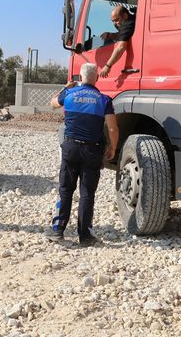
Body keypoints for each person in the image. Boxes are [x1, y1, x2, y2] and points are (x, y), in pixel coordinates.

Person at [45, 62, 119, 246]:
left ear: (80, 76)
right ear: (96, 77)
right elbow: (112, 128)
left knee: (65, 189)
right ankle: (85, 235)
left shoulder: (69, 94)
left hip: (70, 148)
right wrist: (113, 147)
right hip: (92, 150)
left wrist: (65, 87)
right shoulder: (104, 100)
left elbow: (52, 103)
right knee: (87, 193)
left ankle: (58, 229)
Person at [98, 5, 135, 78]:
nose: (115, 23)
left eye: (116, 20)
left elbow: (121, 47)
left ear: (125, 15)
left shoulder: (128, 24)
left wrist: (107, 66)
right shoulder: (132, 20)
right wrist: (111, 35)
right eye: (113, 21)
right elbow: (125, 34)